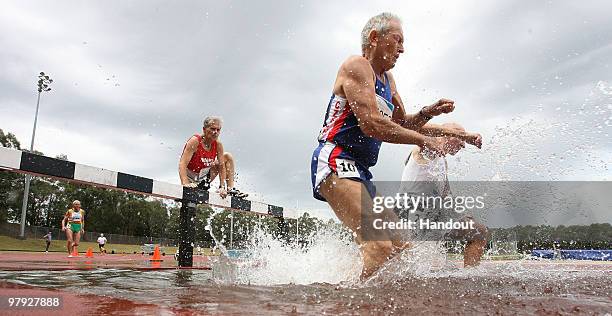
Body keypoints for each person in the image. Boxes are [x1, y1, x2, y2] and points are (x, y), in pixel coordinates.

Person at [311, 13, 482, 279]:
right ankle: (357, 304)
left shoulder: (388, 80)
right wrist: (426, 140)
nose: (402, 48)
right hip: (334, 159)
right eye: (398, 39)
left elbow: (403, 123)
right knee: (379, 244)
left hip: (360, 171)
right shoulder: (356, 65)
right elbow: (372, 125)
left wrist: (429, 113)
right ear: (375, 38)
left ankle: (342, 283)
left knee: (403, 248)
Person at [399, 123, 488, 267]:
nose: (464, 145)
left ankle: (470, 274)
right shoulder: (425, 147)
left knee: (479, 232)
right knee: (409, 264)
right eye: (461, 137)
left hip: (433, 217)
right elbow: (413, 127)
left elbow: (446, 194)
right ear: (447, 134)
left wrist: (462, 214)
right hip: (411, 216)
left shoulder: (442, 161)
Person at [179, 116, 247, 198]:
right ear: (204, 129)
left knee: (227, 156)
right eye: (212, 129)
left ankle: (230, 189)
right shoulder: (195, 141)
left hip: (204, 179)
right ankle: (189, 184)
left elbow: (222, 167)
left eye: (218, 130)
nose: (215, 132)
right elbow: (182, 163)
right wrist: (185, 184)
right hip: (190, 178)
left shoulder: (218, 145)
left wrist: (222, 187)